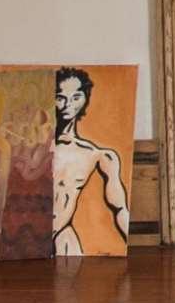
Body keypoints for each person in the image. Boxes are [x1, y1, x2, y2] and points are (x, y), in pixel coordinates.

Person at [50, 67, 130, 256]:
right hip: (26, 239)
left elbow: (120, 209)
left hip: (63, 236)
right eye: (60, 97)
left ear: (85, 99)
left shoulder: (97, 155)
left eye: (76, 97)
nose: (68, 104)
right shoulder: (29, 149)